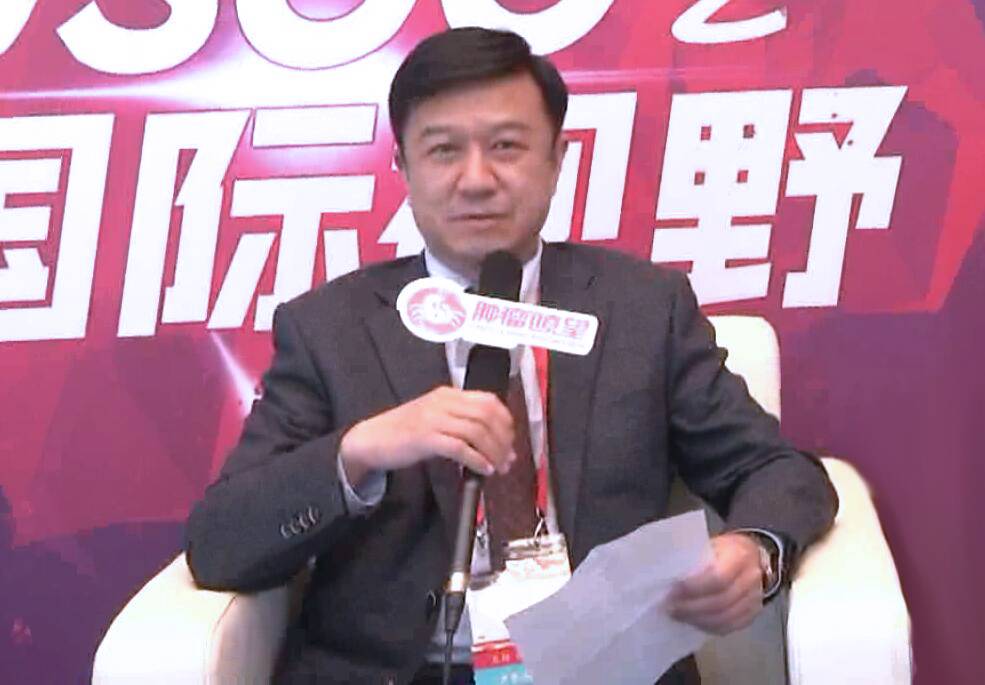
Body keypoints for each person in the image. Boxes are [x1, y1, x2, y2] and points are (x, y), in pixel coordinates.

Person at [185, 27, 838, 685]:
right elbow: (220, 544)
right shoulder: (331, 329)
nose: (476, 180)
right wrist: (359, 451)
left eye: (506, 146)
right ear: (402, 167)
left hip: (602, 671)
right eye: (443, 150)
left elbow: (779, 470)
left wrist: (755, 550)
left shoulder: (642, 310)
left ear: (556, 159)